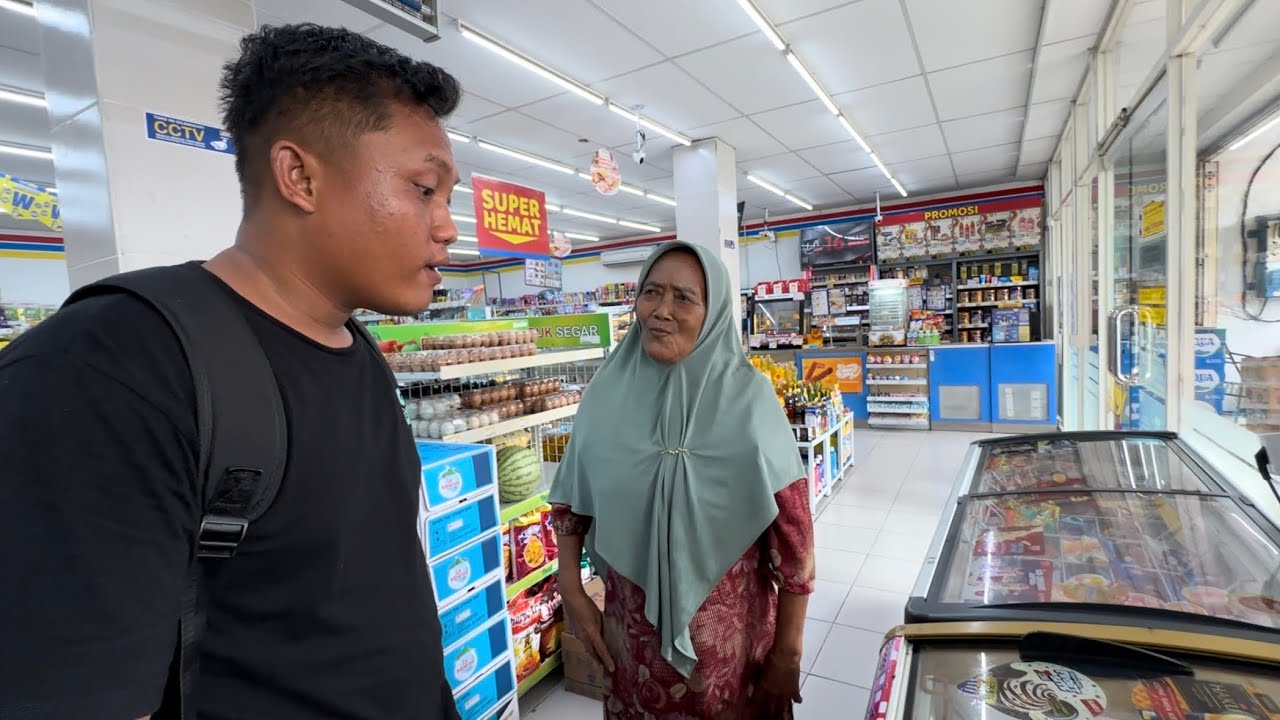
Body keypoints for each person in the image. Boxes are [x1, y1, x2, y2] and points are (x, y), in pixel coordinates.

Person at [0, 24, 463, 720]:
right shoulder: (109, 369)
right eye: (425, 188)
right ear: (299, 176)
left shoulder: (355, 348)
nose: (449, 225)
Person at [550, 241, 816, 719]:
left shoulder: (750, 402)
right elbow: (570, 507)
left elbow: (794, 544)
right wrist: (572, 591)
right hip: (633, 654)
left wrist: (788, 652)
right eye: (651, 292)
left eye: (683, 298)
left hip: (733, 660)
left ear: (713, 312)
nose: (661, 312)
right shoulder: (606, 395)